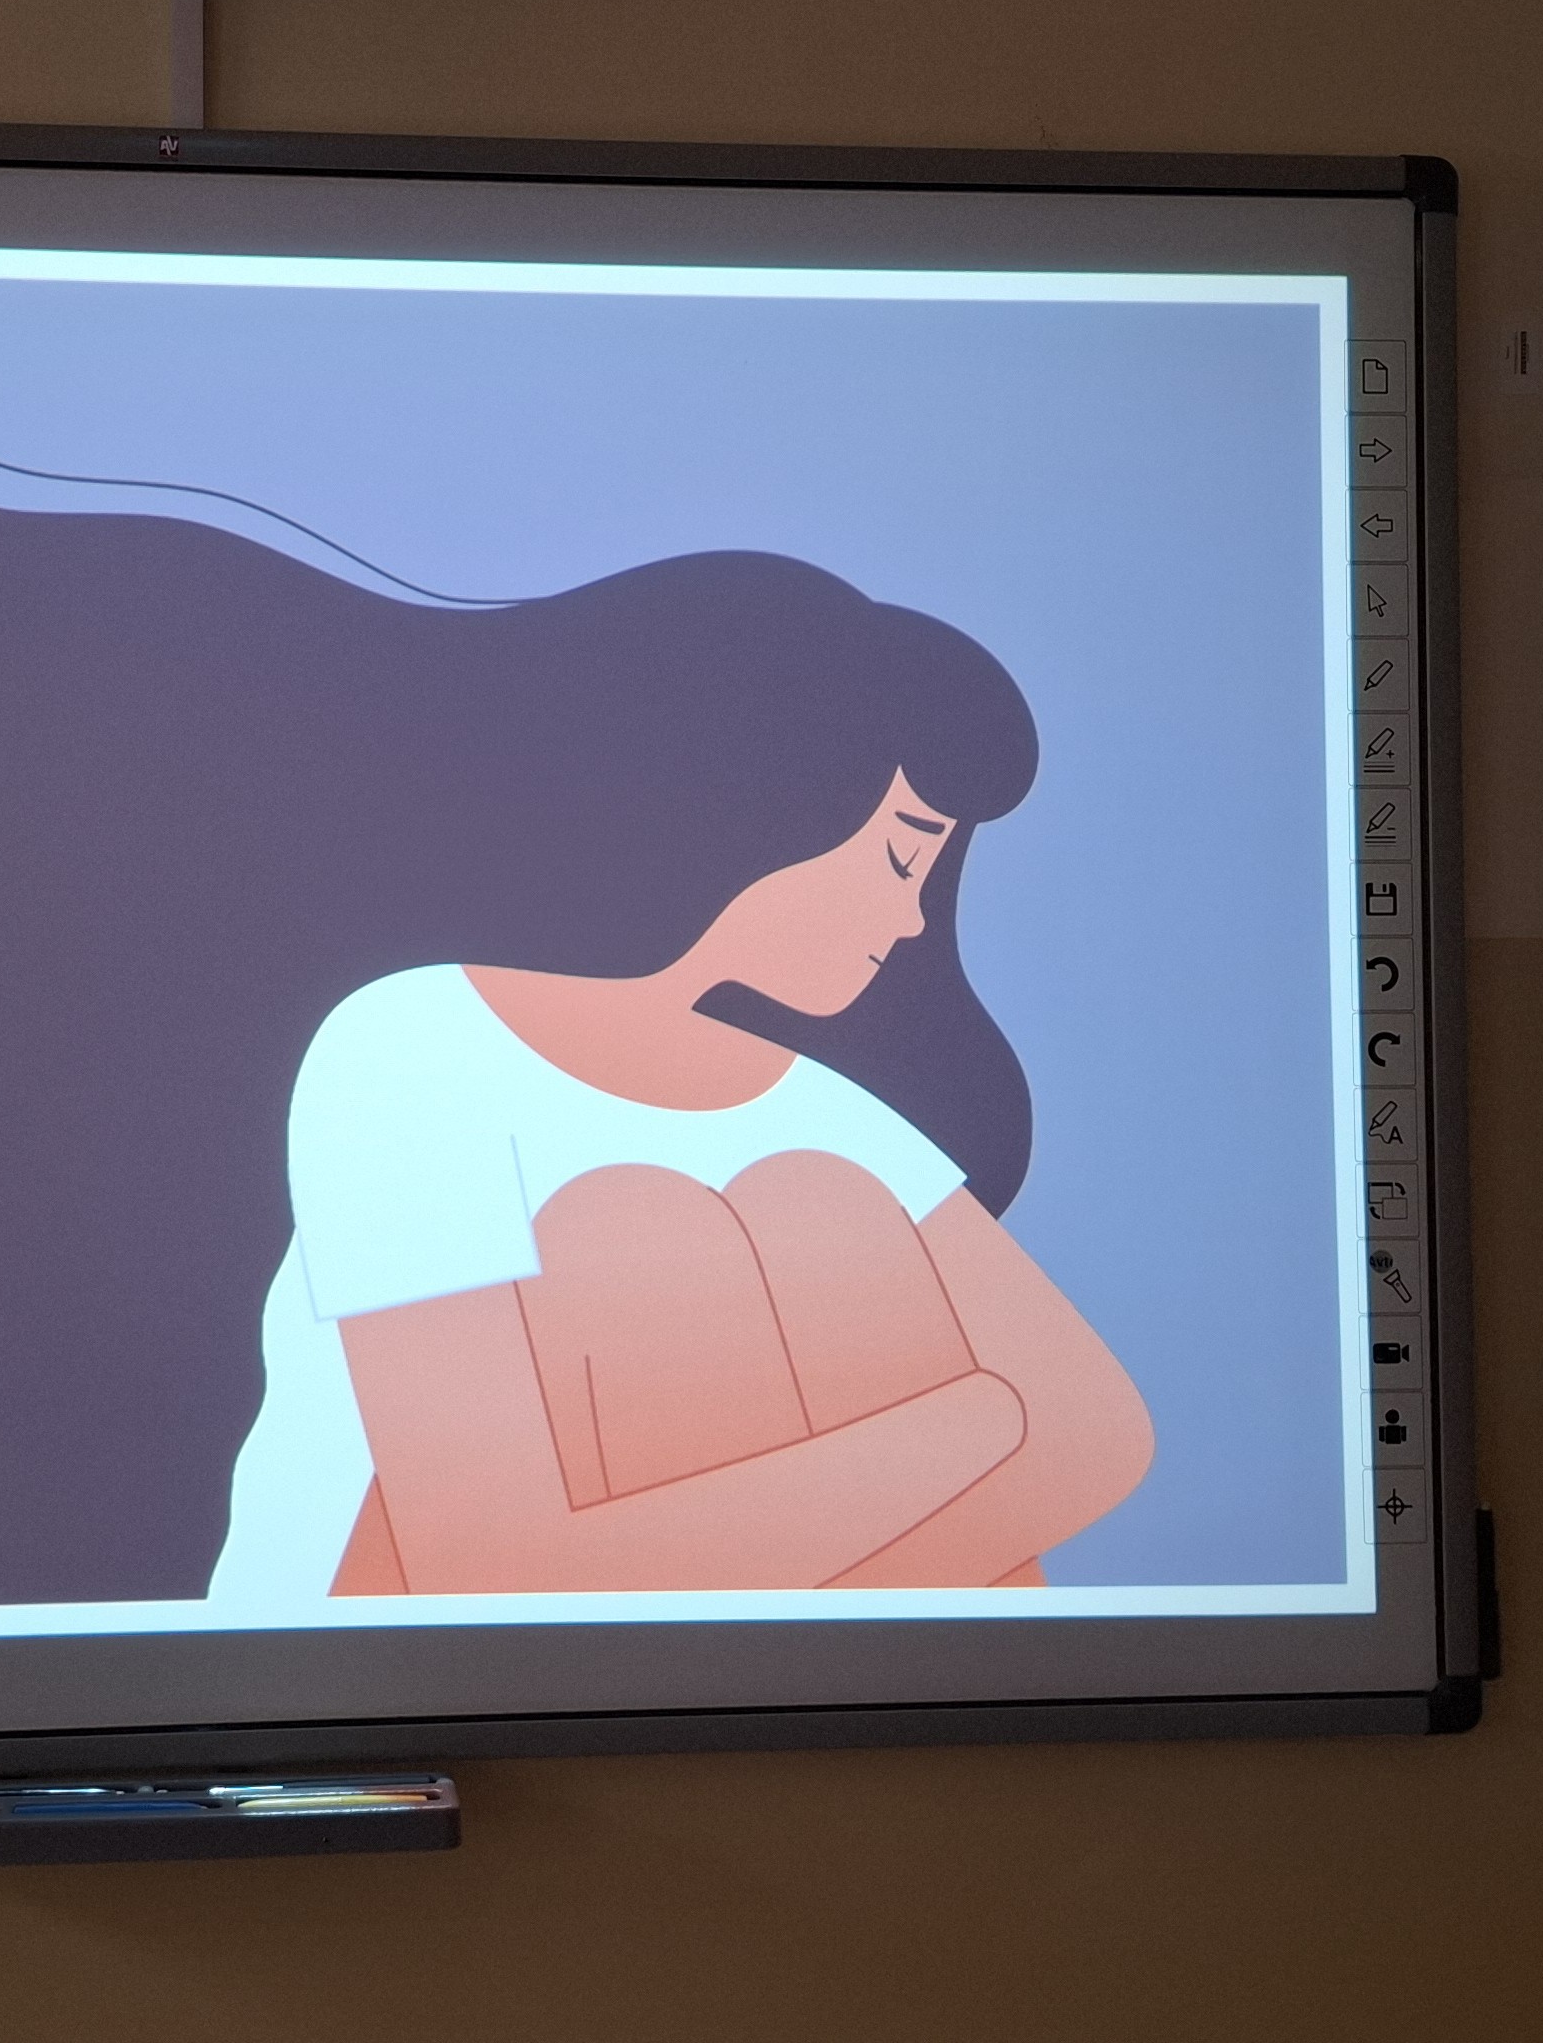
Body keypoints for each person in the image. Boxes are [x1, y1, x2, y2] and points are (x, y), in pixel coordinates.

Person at [206, 575, 1151, 1605]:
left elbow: (1096, 1434)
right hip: (393, 1646)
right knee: (634, 1222)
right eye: (899, 855)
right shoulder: (413, 1048)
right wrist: (975, 1417)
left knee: (816, 1200)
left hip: (772, 1663)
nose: (916, 916)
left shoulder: (824, 1121)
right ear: (771, 801)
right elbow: (485, 1553)